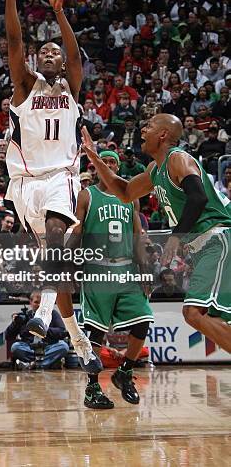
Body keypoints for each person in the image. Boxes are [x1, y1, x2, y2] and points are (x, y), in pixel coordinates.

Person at [0, 0, 101, 375]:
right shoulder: (23, 87)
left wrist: (60, 15)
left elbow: (77, 58)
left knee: (57, 240)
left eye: (54, 52)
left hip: (60, 176)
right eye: (43, 51)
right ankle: (77, 338)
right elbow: (14, 42)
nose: (48, 54)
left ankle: (42, 316)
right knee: (53, 260)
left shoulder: (71, 87)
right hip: (25, 184)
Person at [81, 114, 231, 352]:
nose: (142, 130)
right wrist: (94, 157)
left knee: (193, 312)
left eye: (148, 126)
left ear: (162, 135)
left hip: (218, 239)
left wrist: (175, 236)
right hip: (205, 246)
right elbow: (125, 192)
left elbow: (198, 197)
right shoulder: (155, 169)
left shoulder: (178, 159)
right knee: (209, 317)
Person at [71, 150, 153, 409]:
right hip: (97, 270)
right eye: (103, 162)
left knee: (143, 322)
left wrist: (145, 271)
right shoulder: (87, 195)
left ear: (117, 166)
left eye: (112, 162)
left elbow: (138, 237)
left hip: (126, 269)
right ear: (94, 168)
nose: (108, 165)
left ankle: (124, 371)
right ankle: (93, 387)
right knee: (96, 332)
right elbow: (77, 232)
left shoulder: (131, 197)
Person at [5, 292, 69, 370]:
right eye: (36, 302)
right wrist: (15, 324)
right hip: (29, 347)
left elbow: (62, 331)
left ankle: (34, 364)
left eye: (42, 303)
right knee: (15, 347)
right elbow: (8, 336)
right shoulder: (24, 316)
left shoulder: (53, 314)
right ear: (30, 303)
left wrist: (43, 329)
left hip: (48, 346)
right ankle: (45, 363)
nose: (39, 305)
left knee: (63, 346)